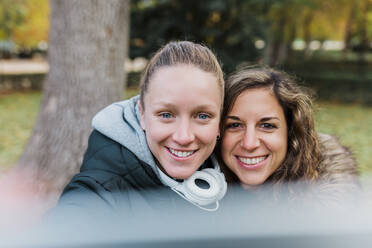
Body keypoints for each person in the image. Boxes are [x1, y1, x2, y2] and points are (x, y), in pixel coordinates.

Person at [56, 41, 227, 216]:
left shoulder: (226, 175)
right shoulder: (97, 193)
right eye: (166, 115)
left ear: (220, 122)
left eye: (202, 116)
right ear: (142, 114)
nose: (183, 137)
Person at [218, 66, 359, 205]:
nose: (249, 144)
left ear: (291, 132)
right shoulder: (200, 200)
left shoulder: (330, 211)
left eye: (267, 126)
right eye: (234, 125)